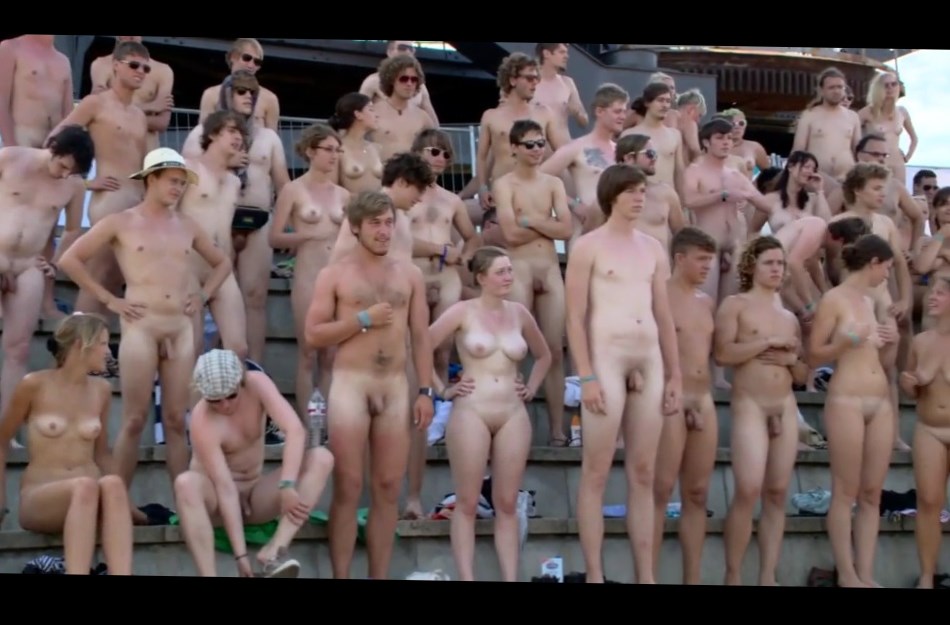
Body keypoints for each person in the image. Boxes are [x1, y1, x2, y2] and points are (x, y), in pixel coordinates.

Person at [57, 148, 233, 523]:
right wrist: (110, 299)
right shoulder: (121, 222)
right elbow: (69, 259)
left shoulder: (187, 225)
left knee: (176, 420)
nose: (178, 188)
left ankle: (187, 507)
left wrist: (203, 294)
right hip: (141, 325)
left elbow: (222, 262)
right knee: (134, 419)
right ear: (151, 179)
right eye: (173, 181)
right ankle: (116, 504)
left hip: (180, 327)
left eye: (182, 183)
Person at [304, 190, 435, 580]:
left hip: (395, 386)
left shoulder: (410, 274)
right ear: (356, 227)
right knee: (348, 485)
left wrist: (426, 391)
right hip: (351, 385)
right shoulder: (334, 275)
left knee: (389, 486)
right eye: (375, 223)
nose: (384, 231)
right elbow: (313, 334)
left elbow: (421, 337)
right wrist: (362, 319)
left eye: (389, 223)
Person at [564, 164, 681, 584]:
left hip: (648, 357)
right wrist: (586, 375)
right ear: (612, 195)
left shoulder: (653, 248)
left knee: (644, 473)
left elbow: (664, 316)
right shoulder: (588, 246)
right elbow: (574, 318)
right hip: (606, 358)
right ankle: (595, 574)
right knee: (595, 472)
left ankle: (645, 575)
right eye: (631, 191)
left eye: (642, 191)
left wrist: (675, 375)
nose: (639, 198)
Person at [428, 245, 552, 581]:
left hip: (512, 410)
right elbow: (422, 345)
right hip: (472, 409)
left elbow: (544, 355)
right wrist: (442, 389)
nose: (508, 277)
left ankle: (510, 577)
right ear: (482, 278)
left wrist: (532, 387)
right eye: (501, 272)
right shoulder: (462, 311)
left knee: (507, 503)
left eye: (510, 270)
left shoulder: (519, 313)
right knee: (467, 502)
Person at [174, 348, 334, 577]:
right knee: (185, 483)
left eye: (231, 396)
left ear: (241, 382)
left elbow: (295, 430)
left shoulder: (257, 383)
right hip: (215, 502)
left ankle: (274, 552)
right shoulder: (202, 419)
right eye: (215, 400)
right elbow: (225, 488)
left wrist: (287, 484)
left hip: (254, 496)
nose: (225, 405)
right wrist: (241, 557)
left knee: (321, 458)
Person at [0, 313, 132, 575]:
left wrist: (128, 506)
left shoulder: (102, 389)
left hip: (89, 493)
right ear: (81, 345)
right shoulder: (34, 384)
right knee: (85, 486)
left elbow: (102, 454)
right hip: (41, 497)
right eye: (103, 344)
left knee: (113, 484)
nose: (108, 351)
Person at [714, 235, 808, 586]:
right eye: (769, 262)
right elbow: (722, 354)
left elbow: (802, 374)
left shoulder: (789, 316)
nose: (776, 269)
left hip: (784, 404)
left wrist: (791, 360)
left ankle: (768, 576)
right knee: (748, 489)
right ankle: (733, 575)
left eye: (781, 263)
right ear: (752, 265)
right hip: (750, 404)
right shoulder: (735, 305)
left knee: (778, 492)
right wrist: (766, 343)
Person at [184, 69, 290, 365]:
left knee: (254, 297)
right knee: (191, 336)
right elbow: (189, 177)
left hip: (255, 219)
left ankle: (251, 370)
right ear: (226, 94)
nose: (248, 97)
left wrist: (286, 226)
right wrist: (227, 162)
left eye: (252, 92)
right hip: (208, 233)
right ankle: (199, 376)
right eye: (241, 91)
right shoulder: (202, 133)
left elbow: (283, 184)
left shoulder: (267, 137)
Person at [807, 233, 896, 588]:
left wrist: (891, 341)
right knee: (845, 490)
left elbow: (882, 360)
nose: (887, 275)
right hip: (847, 398)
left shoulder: (871, 300)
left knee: (872, 492)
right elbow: (813, 354)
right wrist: (846, 342)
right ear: (873, 263)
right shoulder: (834, 299)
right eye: (886, 268)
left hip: (879, 400)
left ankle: (866, 573)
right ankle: (846, 573)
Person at [0, 125, 94, 443]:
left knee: (18, 349)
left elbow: (72, 230)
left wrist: (53, 262)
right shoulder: (10, 158)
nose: (64, 174)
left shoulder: (74, 185)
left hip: (28, 264)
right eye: (63, 165)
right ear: (53, 148)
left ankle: (5, 431)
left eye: (72, 171)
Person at [46, 39, 151, 318]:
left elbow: (142, 163)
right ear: (116, 66)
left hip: (136, 201)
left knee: (117, 276)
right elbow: (56, 140)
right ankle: (80, 337)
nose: (140, 72)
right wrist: (83, 182)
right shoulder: (96, 103)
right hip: (110, 199)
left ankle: (96, 339)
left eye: (146, 68)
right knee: (98, 272)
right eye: (134, 65)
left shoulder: (139, 116)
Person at [494, 119, 573, 446]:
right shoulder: (504, 184)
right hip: (521, 267)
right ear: (514, 148)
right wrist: (546, 225)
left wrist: (529, 220)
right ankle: (510, 425)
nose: (538, 149)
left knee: (554, 350)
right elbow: (510, 235)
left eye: (541, 143)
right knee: (514, 349)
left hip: (549, 268)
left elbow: (566, 230)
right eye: (530, 144)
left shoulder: (554, 183)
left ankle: (557, 430)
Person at [652, 227, 719, 585]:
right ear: (680, 258)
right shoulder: (657, 296)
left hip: (703, 398)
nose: (708, 266)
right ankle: (648, 575)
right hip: (668, 397)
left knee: (697, 493)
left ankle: (692, 578)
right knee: (661, 489)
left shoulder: (707, 302)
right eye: (701, 259)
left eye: (710, 259)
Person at [269, 123, 349, 419]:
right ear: (311, 151)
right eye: (328, 149)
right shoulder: (293, 190)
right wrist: (306, 236)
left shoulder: (344, 195)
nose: (334, 156)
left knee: (331, 356)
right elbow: (274, 238)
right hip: (308, 275)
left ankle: (325, 423)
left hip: (337, 278)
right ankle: (306, 424)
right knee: (307, 353)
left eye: (338, 150)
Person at [177, 110, 250, 361]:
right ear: (212, 134)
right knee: (191, 347)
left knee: (238, 348)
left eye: (241, 133)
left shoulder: (234, 182)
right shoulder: (188, 168)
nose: (238, 137)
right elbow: (167, 216)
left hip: (221, 268)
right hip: (188, 266)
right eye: (231, 131)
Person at [900, 277, 950, 588]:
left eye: (940, 293)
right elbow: (912, 391)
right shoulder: (920, 341)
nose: (931, 297)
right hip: (929, 428)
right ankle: (927, 576)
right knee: (929, 501)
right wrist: (909, 384)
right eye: (931, 292)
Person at [88, 36, 175, 151]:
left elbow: (162, 123)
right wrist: (150, 106)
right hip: (109, 149)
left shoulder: (163, 71)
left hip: (145, 152)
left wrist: (117, 113)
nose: (131, 36)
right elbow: (99, 106)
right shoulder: (101, 64)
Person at [199, 38, 280, 130]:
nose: (251, 65)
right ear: (233, 57)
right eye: (247, 58)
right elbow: (203, 132)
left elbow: (272, 136)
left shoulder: (270, 99)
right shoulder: (210, 94)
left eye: (257, 62)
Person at [370, 55, 436, 162]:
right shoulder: (373, 113)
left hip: (414, 171)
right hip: (382, 171)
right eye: (403, 79)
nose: (409, 83)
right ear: (391, 80)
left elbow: (437, 148)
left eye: (414, 79)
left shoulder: (423, 117)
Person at [359, 40, 439, 126]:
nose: (407, 51)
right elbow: (358, 114)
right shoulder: (373, 81)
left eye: (411, 49)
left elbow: (433, 122)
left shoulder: (420, 86)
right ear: (390, 52)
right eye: (402, 48)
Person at [329, 92, 384, 194]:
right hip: (352, 203)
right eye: (371, 110)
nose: (376, 115)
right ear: (358, 114)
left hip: (379, 203)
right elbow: (331, 188)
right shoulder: (337, 149)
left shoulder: (377, 148)